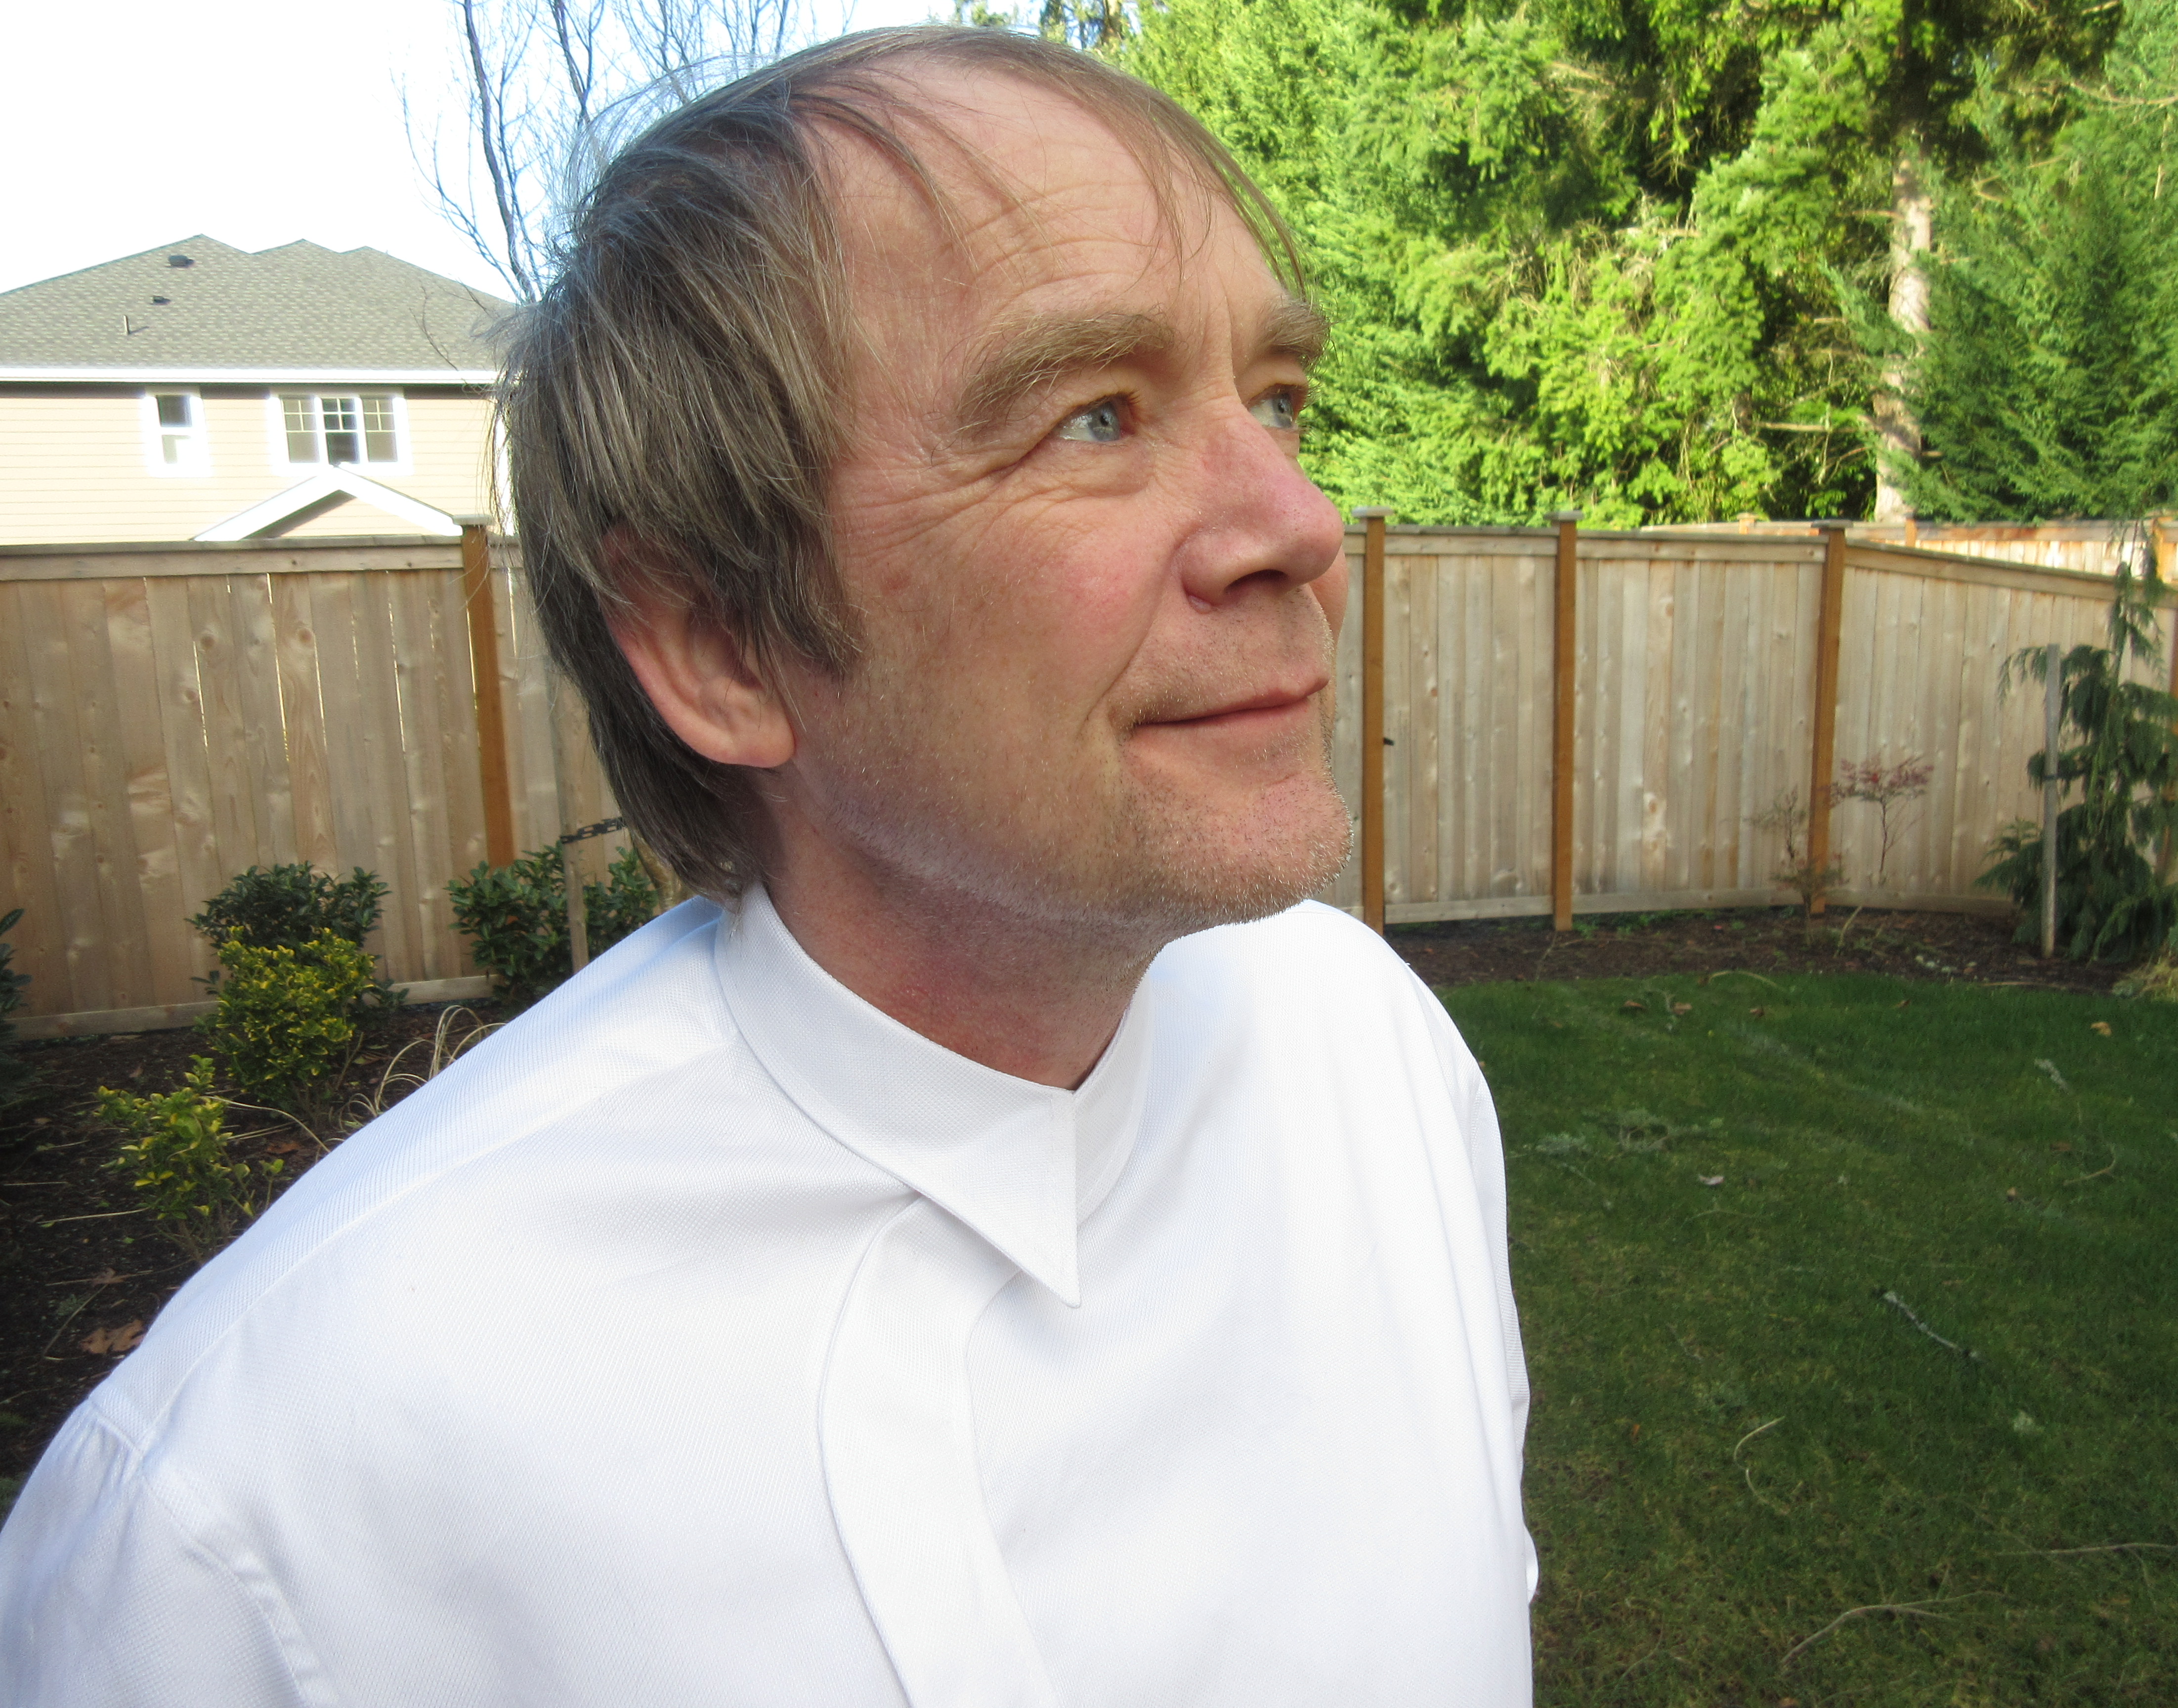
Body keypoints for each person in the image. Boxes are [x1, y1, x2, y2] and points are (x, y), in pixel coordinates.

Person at [0, 27, 1534, 1705]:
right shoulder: (266, 1509)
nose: (1301, 523)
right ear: (718, 644)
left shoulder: (1368, 1052)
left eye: (1279, 399)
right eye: (1094, 418)